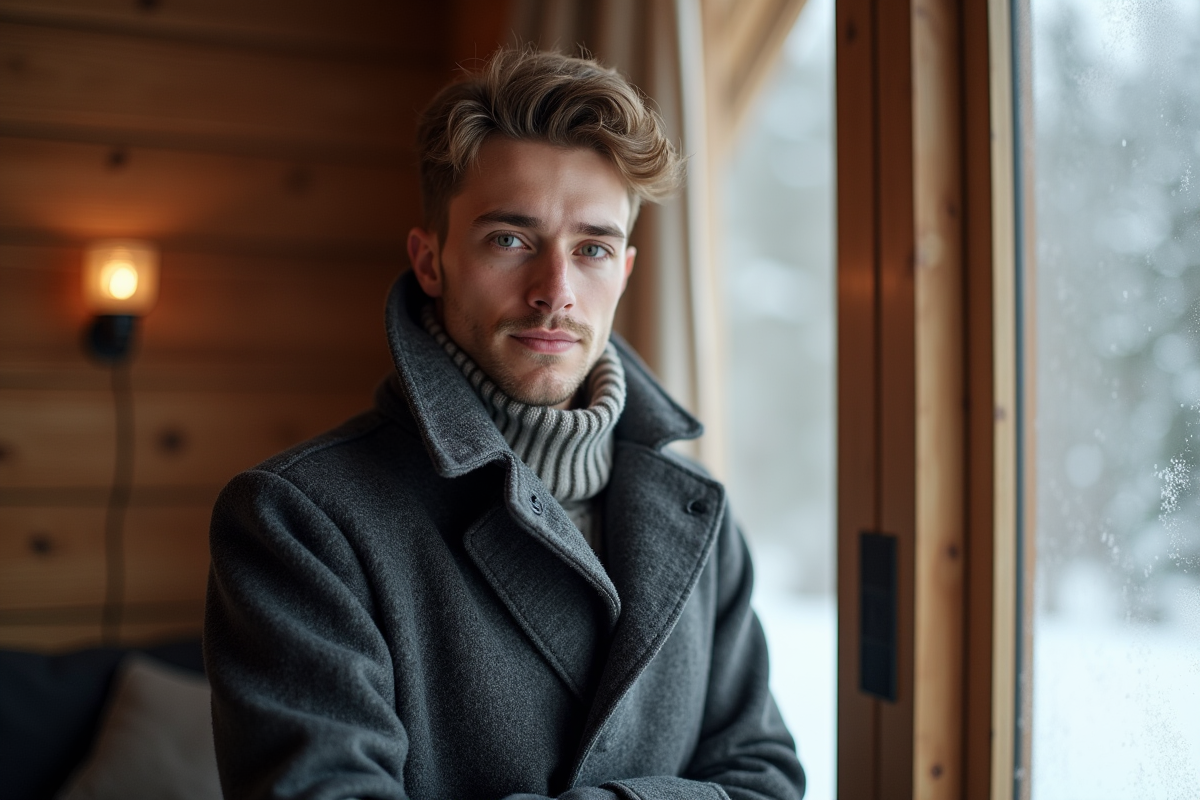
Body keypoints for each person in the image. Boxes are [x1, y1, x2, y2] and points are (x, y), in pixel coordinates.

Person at [204, 48, 805, 800]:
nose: (555, 291)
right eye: (511, 239)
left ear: (623, 273)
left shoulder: (700, 512)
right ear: (431, 262)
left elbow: (767, 781)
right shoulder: (298, 521)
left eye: (592, 248)